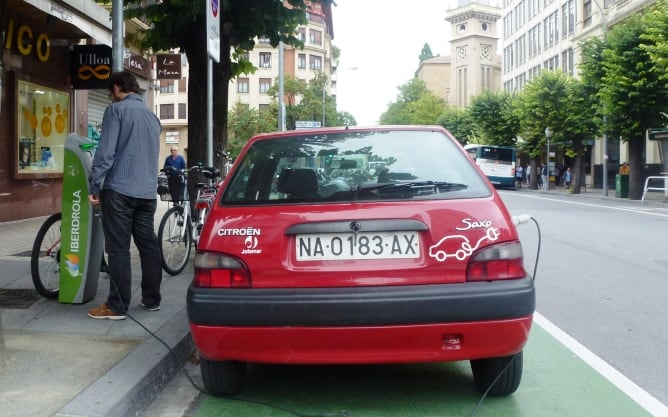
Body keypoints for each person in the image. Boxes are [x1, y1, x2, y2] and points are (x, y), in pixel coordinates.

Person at [87, 71, 163, 320]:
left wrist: (95, 184)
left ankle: (117, 306)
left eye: (111, 93)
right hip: (146, 192)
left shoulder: (116, 111)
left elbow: (106, 151)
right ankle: (152, 299)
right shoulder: (152, 117)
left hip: (119, 190)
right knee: (148, 245)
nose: (111, 97)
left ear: (117, 88)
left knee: (118, 249)